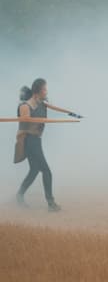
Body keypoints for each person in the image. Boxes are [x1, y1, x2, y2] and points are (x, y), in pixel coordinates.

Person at [15, 79, 62, 212]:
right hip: (29, 141)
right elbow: (25, 122)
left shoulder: (42, 103)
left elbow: (55, 109)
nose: (46, 91)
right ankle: (51, 203)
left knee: (34, 170)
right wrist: (38, 120)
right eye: (45, 89)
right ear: (38, 91)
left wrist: (74, 114)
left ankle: (19, 195)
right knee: (46, 171)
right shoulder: (26, 106)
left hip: (36, 140)